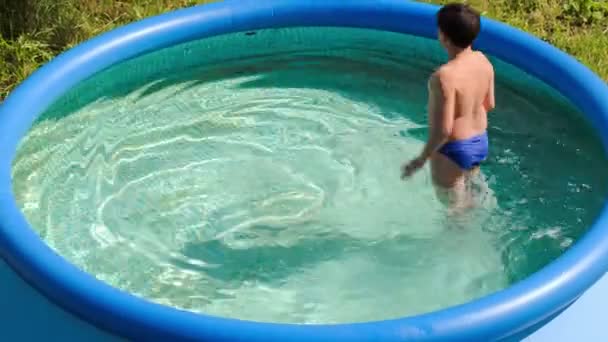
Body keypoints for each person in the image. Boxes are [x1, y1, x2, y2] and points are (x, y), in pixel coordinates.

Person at [401, 3, 495, 210]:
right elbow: (489, 104)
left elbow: (443, 131)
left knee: (454, 212)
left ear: (443, 36)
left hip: (454, 149)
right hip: (480, 142)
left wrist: (420, 160)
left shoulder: (443, 77)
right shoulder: (483, 61)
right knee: (472, 198)